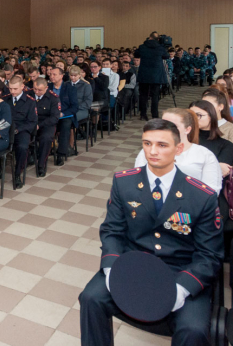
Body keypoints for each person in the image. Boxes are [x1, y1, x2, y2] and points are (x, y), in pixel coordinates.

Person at [79, 119, 223, 346]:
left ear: (179, 149)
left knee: (193, 330)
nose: (152, 151)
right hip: (132, 263)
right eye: (147, 143)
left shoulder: (201, 196)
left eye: (162, 145)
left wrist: (182, 289)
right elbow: (112, 230)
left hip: (180, 269)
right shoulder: (124, 182)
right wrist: (111, 268)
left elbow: (210, 254)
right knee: (90, 298)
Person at [135, 109, 221, 193]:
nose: (166, 130)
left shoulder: (204, 154)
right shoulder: (148, 151)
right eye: (163, 126)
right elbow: (138, 181)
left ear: (187, 129)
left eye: (173, 126)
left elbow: (211, 190)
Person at [189, 100, 233, 174]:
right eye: (190, 116)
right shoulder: (184, 139)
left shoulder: (226, 145)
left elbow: (220, 173)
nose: (193, 119)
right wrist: (216, 166)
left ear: (211, 116)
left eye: (198, 115)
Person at [8, 76, 37, 188]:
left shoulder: (30, 101)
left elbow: (32, 122)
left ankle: (17, 174)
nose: (12, 91)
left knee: (22, 147)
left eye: (15, 89)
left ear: (22, 87)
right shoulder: (5, 99)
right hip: (7, 130)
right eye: (10, 88)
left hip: (22, 130)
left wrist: (18, 130)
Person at [136, 32, 170, 120]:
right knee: (155, 96)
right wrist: (164, 46)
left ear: (149, 37)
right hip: (156, 75)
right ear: (158, 39)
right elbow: (166, 56)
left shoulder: (142, 47)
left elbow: (136, 54)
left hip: (144, 74)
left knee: (143, 95)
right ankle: (154, 114)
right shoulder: (160, 47)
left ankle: (143, 114)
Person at [48, 67, 78, 166]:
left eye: (54, 74)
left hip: (64, 116)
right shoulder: (47, 87)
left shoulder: (70, 88)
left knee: (65, 126)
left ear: (61, 76)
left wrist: (62, 113)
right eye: (51, 74)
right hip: (50, 115)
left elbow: (75, 107)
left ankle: (60, 154)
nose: (52, 76)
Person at [32, 77, 60, 177]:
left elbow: (54, 117)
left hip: (46, 124)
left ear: (46, 88)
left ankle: (41, 164)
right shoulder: (28, 95)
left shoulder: (53, 98)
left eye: (39, 90)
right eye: (35, 89)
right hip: (31, 123)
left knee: (46, 138)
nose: (36, 92)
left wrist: (39, 125)